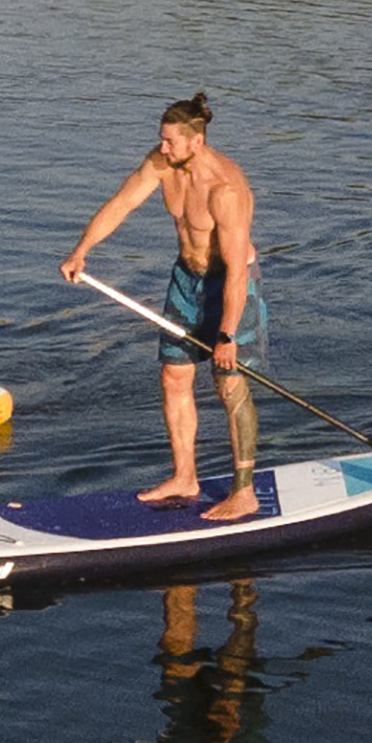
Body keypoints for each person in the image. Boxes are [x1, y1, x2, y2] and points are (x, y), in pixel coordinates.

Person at [60, 92, 268, 521]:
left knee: (228, 382)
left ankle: (243, 492)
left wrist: (226, 334)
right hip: (184, 281)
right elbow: (122, 203)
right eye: (162, 140)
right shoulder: (162, 164)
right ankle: (184, 476)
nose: (163, 147)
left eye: (171, 141)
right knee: (174, 376)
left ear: (196, 141)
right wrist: (82, 250)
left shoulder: (225, 189)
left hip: (229, 286)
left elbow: (235, 273)